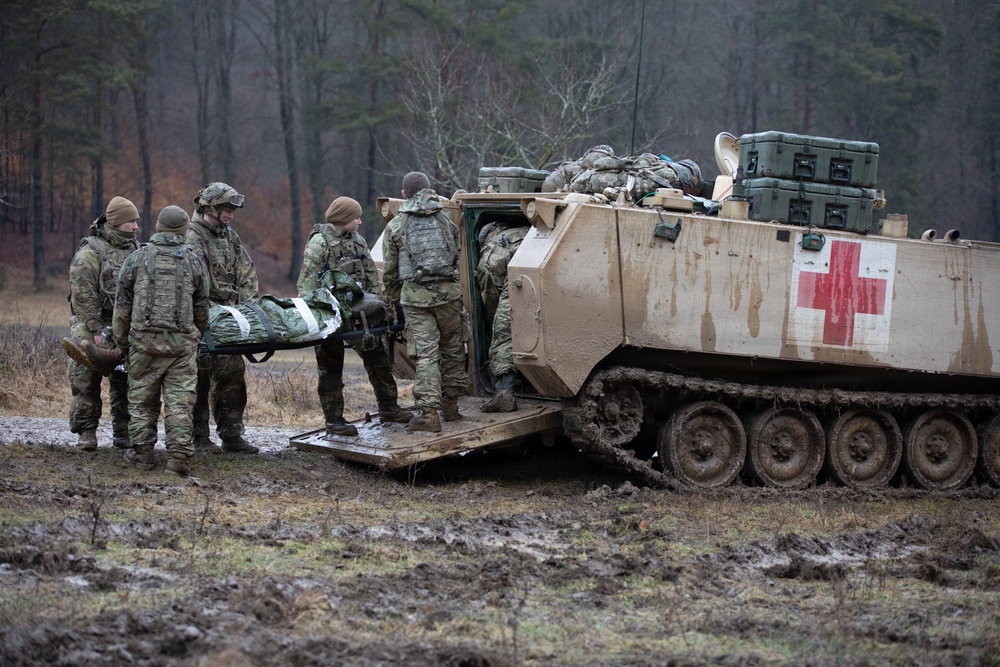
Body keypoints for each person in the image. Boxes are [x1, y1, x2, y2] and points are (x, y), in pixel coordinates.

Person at [297, 196, 412, 436]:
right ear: (343, 219)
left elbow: (371, 276)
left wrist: (382, 307)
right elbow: (306, 286)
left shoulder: (358, 241)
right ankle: (334, 420)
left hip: (361, 314)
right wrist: (321, 316)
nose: (360, 221)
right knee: (330, 369)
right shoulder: (320, 243)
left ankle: (389, 407)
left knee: (378, 360)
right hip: (331, 315)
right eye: (356, 217)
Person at [113, 205, 209, 477]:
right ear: (182, 230)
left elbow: (122, 306)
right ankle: (178, 458)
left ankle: (143, 455)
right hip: (182, 346)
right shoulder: (193, 260)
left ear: (157, 227)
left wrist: (122, 343)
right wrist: (195, 335)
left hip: (143, 344)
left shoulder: (136, 258)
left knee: (142, 400)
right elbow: (202, 307)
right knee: (180, 403)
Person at [382, 172, 469, 433]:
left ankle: (429, 414)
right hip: (449, 297)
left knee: (427, 355)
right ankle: (452, 407)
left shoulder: (396, 225)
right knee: (453, 348)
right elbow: (456, 254)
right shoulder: (445, 219)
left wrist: (394, 301)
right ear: (429, 190)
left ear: (404, 194)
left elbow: (390, 271)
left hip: (416, 300)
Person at [186, 182, 259, 454]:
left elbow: (247, 271)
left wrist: (247, 305)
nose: (231, 215)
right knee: (199, 378)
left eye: (232, 210)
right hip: (201, 320)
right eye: (226, 209)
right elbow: (192, 282)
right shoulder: (192, 237)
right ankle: (200, 437)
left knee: (231, 376)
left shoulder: (229, 235)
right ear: (211, 209)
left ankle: (231, 435)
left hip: (230, 319)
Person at [67, 196, 141, 451]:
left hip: (123, 323)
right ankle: (86, 431)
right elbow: (82, 295)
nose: (135, 226)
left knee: (127, 380)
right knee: (85, 377)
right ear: (117, 222)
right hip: (91, 322)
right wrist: (98, 331)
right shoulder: (90, 252)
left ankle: (124, 433)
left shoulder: (136, 250)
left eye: (136, 221)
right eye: (130, 221)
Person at [475, 221, 527, 412]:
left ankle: (504, 393)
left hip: (519, 284)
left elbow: (490, 297)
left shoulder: (492, 250)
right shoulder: (526, 231)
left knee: (503, 337)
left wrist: (493, 316)